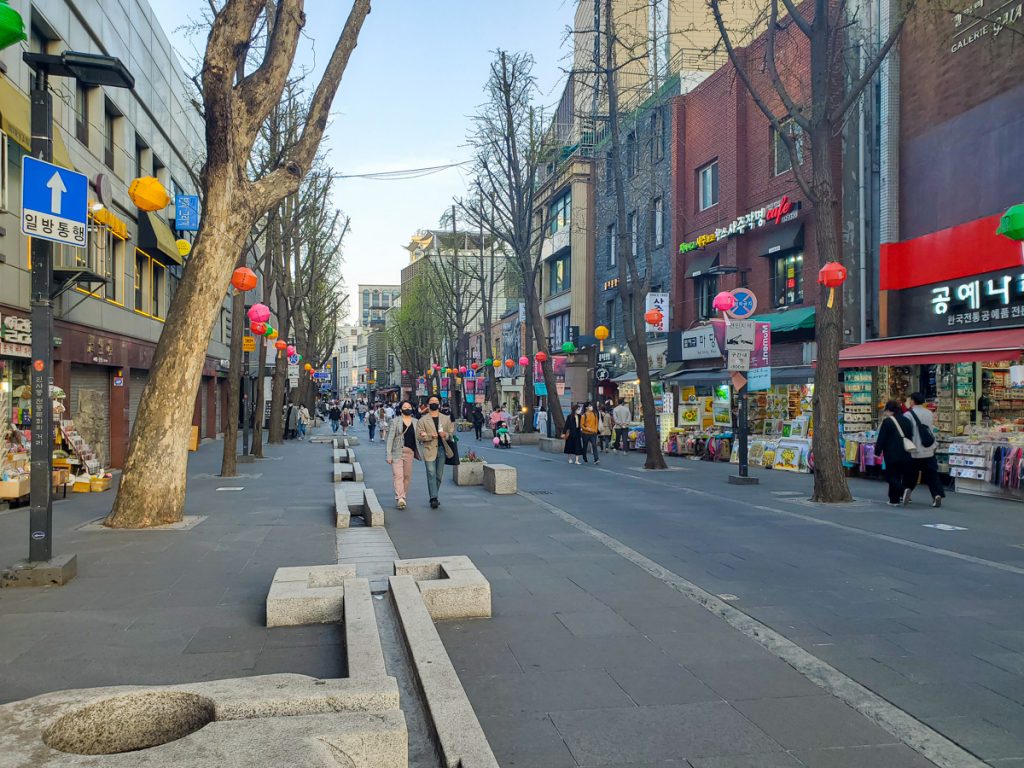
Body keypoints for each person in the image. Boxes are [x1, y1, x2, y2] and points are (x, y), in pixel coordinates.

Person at [905, 392, 945, 507]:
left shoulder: (908, 415)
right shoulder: (929, 413)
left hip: (914, 448)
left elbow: (908, 432)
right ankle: (936, 494)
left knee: (911, 473)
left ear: (912, 401)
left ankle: (907, 489)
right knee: (932, 474)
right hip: (928, 448)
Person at [874, 400, 916, 506]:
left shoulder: (887, 422)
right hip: (905, 452)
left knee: (891, 476)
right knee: (898, 475)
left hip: (892, 453)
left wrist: (877, 452)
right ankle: (894, 499)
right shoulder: (906, 420)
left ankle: (902, 491)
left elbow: (882, 438)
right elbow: (910, 436)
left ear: (889, 410)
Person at [417, 395, 455, 508]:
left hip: (442, 449)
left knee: (438, 475)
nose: (434, 403)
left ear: (439, 404)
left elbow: (451, 434)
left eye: (436, 401)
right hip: (429, 448)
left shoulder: (445, 418)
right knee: (431, 473)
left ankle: (434, 494)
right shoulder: (423, 420)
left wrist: (446, 435)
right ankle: (433, 498)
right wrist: (429, 436)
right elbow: (419, 437)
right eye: (432, 401)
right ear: (428, 404)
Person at [385, 399, 419, 509]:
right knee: (398, 475)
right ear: (400, 409)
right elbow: (390, 438)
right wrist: (388, 455)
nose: (407, 409)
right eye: (405, 408)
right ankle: (399, 497)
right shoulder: (395, 421)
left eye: (409, 407)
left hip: (410, 452)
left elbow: (418, 437)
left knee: (407, 476)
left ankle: (403, 496)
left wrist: (423, 435)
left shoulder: (416, 422)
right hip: (397, 451)